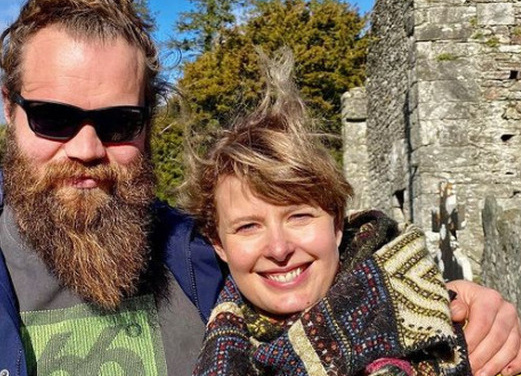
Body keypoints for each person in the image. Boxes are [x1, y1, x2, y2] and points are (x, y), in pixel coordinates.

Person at [0, 0, 521, 376]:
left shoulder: (212, 268)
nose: (86, 149)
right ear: (10, 107)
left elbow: (356, 299)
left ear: (148, 122)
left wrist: (463, 315)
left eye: (117, 122)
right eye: (55, 118)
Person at [181, 48, 493, 375]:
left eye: (298, 216)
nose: (279, 248)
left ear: (337, 223)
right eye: (248, 227)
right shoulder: (210, 350)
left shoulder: (461, 330)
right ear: (219, 244)